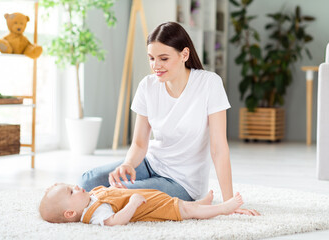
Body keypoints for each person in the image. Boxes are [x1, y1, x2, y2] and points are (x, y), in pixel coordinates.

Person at [80, 22, 259, 216]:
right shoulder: (147, 86)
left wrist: (229, 203)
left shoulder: (209, 84)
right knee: (88, 181)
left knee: (122, 195)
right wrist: (128, 164)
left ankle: (194, 203)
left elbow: (218, 149)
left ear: (184, 55)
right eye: (151, 58)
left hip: (182, 182)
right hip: (151, 163)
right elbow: (140, 143)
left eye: (163, 58)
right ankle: (97, 202)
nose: (156, 66)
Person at [39, 183, 244, 225]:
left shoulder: (90, 198)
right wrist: (133, 204)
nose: (76, 187)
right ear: (70, 213)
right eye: (71, 191)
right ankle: (223, 209)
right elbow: (114, 221)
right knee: (185, 210)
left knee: (182, 203)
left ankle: (201, 203)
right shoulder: (94, 213)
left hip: (152, 198)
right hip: (151, 208)